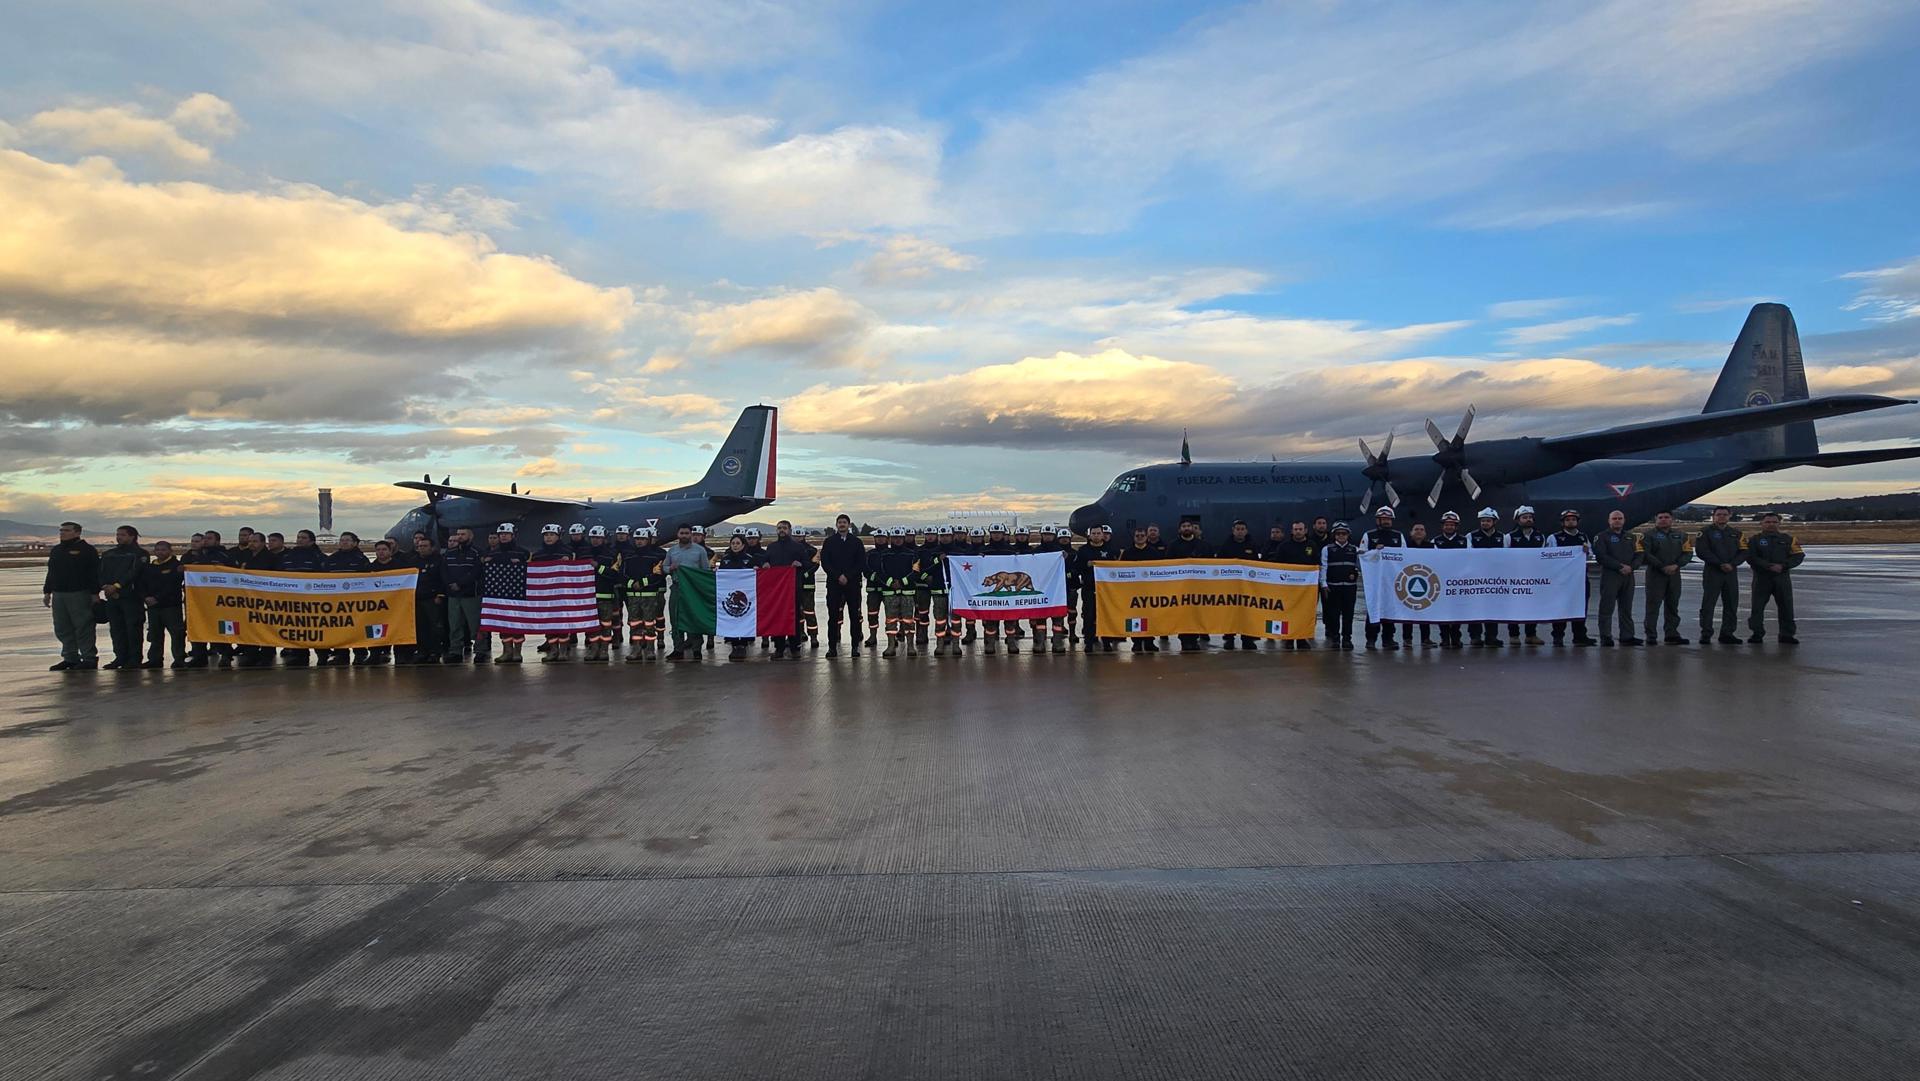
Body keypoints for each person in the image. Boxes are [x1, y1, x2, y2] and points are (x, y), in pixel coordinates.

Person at [44, 521, 101, 671]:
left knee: (83, 626)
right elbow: (51, 572)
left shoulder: (87, 550)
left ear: (77, 533)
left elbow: (94, 573)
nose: (62, 533)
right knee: (62, 627)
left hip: (79, 592)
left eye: (67, 530)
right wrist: (47, 591)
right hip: (59, 593)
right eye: (61, 530)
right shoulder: (57, 550)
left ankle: (89, 657)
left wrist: (95, 593)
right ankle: (70, 657)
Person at [93, 525, 151, 670]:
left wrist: (117, 585)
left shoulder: (140, 554)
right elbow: (100, 572)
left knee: (133, 629)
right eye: (118, 534)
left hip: (131, 597)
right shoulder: (109, 554)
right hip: (112, 597)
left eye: (123, 535)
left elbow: (134, 572)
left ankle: (134, 659)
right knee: (116, 629)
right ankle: (120, 657)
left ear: (132, 536)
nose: (119, 537)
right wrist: (105, 586)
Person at [1746, 512, 1804, 644]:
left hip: (1782, 577)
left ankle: (1787, 634)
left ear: (1779, 523)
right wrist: (1768, 566)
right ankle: (1757, 633)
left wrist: (1784, 566)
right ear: (1761, 523)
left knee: (1786, 606)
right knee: (1757, 607)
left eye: (1774, 522)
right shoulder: (1754, 540)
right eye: (1767, 522)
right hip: (1762, 578)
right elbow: (1750, 557)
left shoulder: (1788, 539)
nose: (1771, 524)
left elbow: (1798, 555)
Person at [181, 528, 234, 668]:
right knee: (196, 627)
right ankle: (199, 656)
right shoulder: (193, 556)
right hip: (196, 599)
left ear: (217, 541)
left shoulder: (224, 555)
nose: (206, 540)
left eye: (210, 538)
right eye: (205, 538)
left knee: (219, 628)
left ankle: (226, 654)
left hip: (218, 599)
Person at [1263, 521, 1319, 651]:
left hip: (1306, 588)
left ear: (1305, 530)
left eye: (1300, 529)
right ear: (1292, 531)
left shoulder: (1312, 545)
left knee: (1303, 613)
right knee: (1287, 613)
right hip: (1288, 587)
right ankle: (1288, 639)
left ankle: (1301, 638)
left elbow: (1316, 564)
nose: (1298, 532)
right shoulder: (1284, 546)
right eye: (1295, 529)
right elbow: (1278, 565)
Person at [1640, 511, 1693, 645]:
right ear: (1656, 520)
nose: (1663, 520)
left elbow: (1687, 553)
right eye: (1660, 517)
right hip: (1656, 574)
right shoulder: (1648, 535)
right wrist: (1662, 566)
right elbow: (1646, 554)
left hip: (1674, 574)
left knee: (1673, 605)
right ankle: (1651, 635)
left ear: (1672, 519)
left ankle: (1672, 633)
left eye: (1667, 517)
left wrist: (1677, 565)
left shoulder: (1681, 535)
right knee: (1653, 606)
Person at [1593, 509, 1644, 646]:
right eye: (1614, 518)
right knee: (1606, 608)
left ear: (1624, 520)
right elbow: (1601, 556)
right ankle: (1606, 636)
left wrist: (1631, 567)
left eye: (1619, 518)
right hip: (1611, 575)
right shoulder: (1602, 537)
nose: (1617, 521)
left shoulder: (1632, 537)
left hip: (1628, 576)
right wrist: (1619, 566)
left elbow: (1639, 555)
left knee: (1626, 608)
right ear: (1609, 521)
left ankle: (1627, 636)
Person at [1694, 507, 1744, 644]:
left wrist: (1733, 564)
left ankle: (1727, 633)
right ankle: (1706, 633)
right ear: (1713, 516)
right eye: (1718, 515)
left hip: (1731, 573)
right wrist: (1719, 563)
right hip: (1713, 571)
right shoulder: (1705, 532)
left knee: (1731, 603)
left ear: (1729, 516)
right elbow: (1702, 551)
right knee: (1709, 604)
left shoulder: (1736, 533)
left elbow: (1744, 551)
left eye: (1724, 514)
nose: (1721, 517)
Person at [135, 540, 188, 668]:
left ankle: (179, 658)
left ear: (170, 551)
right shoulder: (149, 567)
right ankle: (155, 659)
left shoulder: (176, 566)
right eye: (158, 550)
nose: (160, 552)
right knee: (154, 634)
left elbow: (173, 585)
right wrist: (146, 597)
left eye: (163, 550)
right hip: (153, 607)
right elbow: (140, 584)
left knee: (177, 634)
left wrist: (157, 598)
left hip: (171, 606)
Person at [528, 525, 577, 662]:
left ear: (559, 536)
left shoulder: (568, 553)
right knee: (549, 624)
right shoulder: (537, 555)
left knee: (562, 624)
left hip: (562, 595)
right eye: (546, 535)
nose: (548, 537)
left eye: (552, 534)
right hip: (546, 596)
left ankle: (563, 651)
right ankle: (553, 650)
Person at [1548, 510, 1596, 647]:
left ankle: (1580, 636)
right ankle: (1558, 636)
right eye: (1567, 519)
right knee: (1560, 608)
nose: (1571, 522)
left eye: (1573, 519)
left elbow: (1591, 557)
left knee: (1581, 607)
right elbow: (1548, 557)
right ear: (1562, 522)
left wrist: (1587, 552)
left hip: (1580, 579)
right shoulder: (1554, 537)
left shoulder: (1583, 537)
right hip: (1561, 580)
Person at [764, 521, 812, 659]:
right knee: (778, 618)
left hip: (793, 588)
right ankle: (779, 648)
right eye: (779, 528)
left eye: (784, 528)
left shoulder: (798, 547)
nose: (781, 530)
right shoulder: (771, 547)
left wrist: (800, 564)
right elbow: (764, 562)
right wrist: (765, 564)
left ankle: (795, 647)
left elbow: (807, 564)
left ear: (789, 530)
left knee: (794, 618)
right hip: (776, 591)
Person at [621, 526, 668, 663]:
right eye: (637, 539)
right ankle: (636, 650)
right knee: (635, 623)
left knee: (649, 623)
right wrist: (631, 583)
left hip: (649, 594)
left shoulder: (655, 556)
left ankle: (650, 649)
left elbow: (658, 575)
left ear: (648, 540)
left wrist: (642, 582)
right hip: (633, 596)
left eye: (642, 539)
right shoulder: (628, 556)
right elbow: (622, 574)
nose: (639, 542)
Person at [821, 513, 866, 657]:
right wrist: (837, 576)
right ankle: (832, 647)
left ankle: (854, 647)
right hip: (834, 584)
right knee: (833, 617)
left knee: (854, 616)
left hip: (852, 584)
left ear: (849, 525)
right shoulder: (829, 542)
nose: (842, 524)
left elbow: (861, 562)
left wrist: (848, 576)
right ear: (836, 525)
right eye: (839, 522)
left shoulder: (857, 542)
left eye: (844, 522)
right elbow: (825, 562)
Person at [322, 532, 369, 666]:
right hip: (336, 601)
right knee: (338, 627)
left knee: (357, 627)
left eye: (347, 540)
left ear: (354, 543)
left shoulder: (361, 559)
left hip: (355, 601)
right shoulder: (332, 559)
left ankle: (360, 653)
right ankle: (341, 654)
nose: (344, 542)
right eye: (342, 540)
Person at [664, 524, 710, 661]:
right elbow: (664, 567)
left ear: (691, 534)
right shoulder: (672, 551)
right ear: (677, 535)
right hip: (677, 588)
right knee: (675, 618)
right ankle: (678, 648)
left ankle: (696, 649)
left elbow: (705, 570)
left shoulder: (700, 551)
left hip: (693, 590)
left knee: (693, 618)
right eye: (682, 533)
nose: (684, 535)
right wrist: (670, 568)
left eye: (687, 533)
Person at [1215, 520, 1262, 650]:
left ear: (1246, 531)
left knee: (1247, 613)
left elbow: (1258, 564)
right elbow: (1219, 563)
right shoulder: (1226, 545)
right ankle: (1229, 638)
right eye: (1237, 529)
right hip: (1230, 586)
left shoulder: (1253, 545)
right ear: (1233, 530)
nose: (1240, 531)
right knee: (1229, 613)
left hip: (1248, 587)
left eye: (1242, 529)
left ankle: (1247, 639)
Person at [1362, 508, 1405, 650]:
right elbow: (1362, 555)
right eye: (1383, 519)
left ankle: (1388, 639)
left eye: (1388, 519)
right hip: (1375, 580)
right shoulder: (1369, 535)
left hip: (1393, 580)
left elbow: (1406, 556)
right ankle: (1371, 639)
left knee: (1390, 609)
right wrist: (1375, 550)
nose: (1386, 521)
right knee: (1373, 609)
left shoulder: (1398, 536)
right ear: (1378, 520)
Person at [1071, 523, 1119, 652]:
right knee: (1089, 615)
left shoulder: (1111, 550)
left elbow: (1118, 568)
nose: (1096, 536)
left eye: (1098, 533)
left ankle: (1107, 642)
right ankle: (1089, 642)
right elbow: (1076, 569)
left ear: (1103, 535)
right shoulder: (1083, 551)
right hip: (1089, 589)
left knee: (1106, 615)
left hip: (1107, 590)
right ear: (1089, 535)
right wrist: (1086, 565)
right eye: (1094, 533)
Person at [440, 527, 484, 663]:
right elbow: (444, 571)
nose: (459, 537)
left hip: (471, 595)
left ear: (470, 536)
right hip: (453, 595)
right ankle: (455, 651)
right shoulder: (449, 554)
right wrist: (451, 584)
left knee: (476, 625)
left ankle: (480, 650)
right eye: (458, 534)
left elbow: (476, 572)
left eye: (463, 534)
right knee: (454, 625)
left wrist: (460, 583)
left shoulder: (477, 553)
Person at [1504, 506, 1547, 645]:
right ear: (1518, 520)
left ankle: (1531, 634)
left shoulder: (1540, 537)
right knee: (1513, 607)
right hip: (1514, 577)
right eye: (1524, 517)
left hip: (1533, 578)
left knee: (1532, 607)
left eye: (1530, 517)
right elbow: (1503, 556)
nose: (1528, 520)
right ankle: (1514, 635)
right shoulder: (1509, 537)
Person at [1118, 526, 1162, 652]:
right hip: (1133, 591)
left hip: (1149, 590)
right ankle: (1136, 642)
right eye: (1137, 536)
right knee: (1134, 617)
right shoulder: (1127, 553)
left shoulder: (1154, 553)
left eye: (1142, 535)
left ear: (1146, 537)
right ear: (1134, 537)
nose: (1140, 538)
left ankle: (1149, 641)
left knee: (1150, 616)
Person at [716, 533, 759, 660]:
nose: (735, 546)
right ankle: (735, 645)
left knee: (745, 617)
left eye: (737, 543)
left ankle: (743, 645)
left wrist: (757, 570)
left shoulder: (749, 558)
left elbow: (755, 574)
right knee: (732, 618)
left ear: (743, 545)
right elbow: (722, 575)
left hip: (746, 595)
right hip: (730, 593)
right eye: (733, 543)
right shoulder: (725, 559)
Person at [1429, 513, 1468, 649]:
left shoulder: (1465, 541)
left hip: (1459, 581)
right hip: (1441, 580)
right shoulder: (1435, 541)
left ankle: (1456, 637)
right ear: (1442, 526)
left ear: (1456, 526)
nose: (1449, 527)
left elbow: (1471, 559)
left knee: (1458, 610)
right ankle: (1444, 638)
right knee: (1442, 610)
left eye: (1452, 524)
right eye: (1447, 524)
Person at [582, 526, 620, 663]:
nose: (595, 540)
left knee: (605, 625)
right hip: (588, 597)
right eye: (593, 538)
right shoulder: (584, 554)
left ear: (604, 539)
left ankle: (604, 649)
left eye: (598, 538)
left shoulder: (612, 554)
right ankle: (593, 649)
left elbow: (615, 574)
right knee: (592, 626)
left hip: (606, 596)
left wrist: (599, 567)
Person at [1320, 523, 1360, 650]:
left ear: (1348, 535)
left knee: (1348, 615)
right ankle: (1335, 638)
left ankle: (1347, 639)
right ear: (1334, 535)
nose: (1341, 536)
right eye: (1338, 533)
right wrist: (1324, 584)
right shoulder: (1327, 549)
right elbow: (1324, 567)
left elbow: (1362, 566)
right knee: (1334, 615)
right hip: (1333, 587)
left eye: (1344, 533)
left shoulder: (1355, 550)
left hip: (1349, 587)